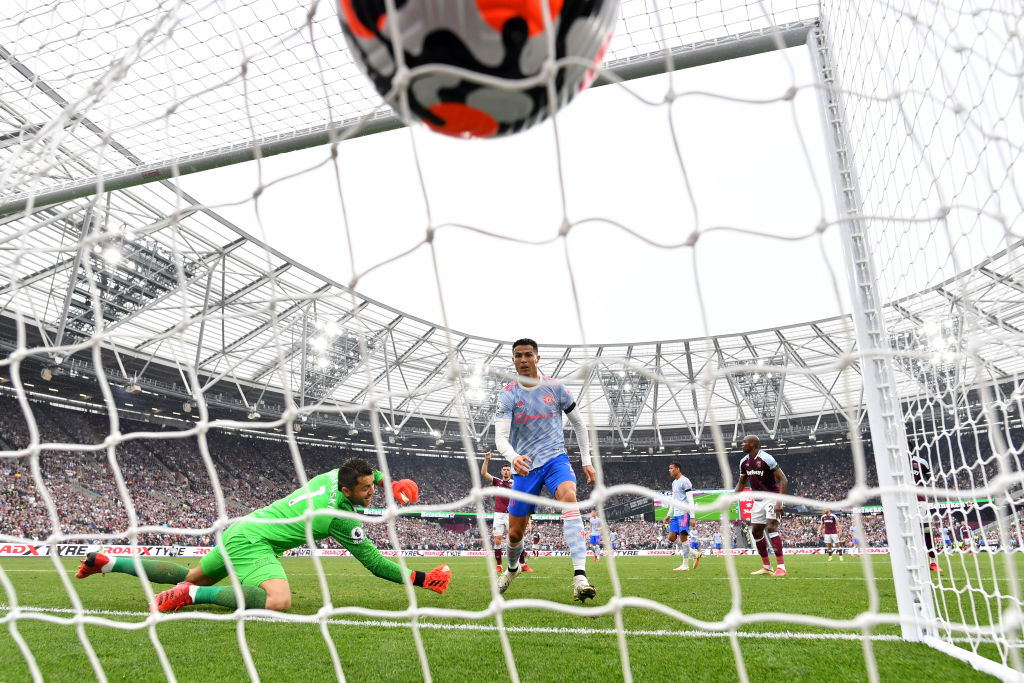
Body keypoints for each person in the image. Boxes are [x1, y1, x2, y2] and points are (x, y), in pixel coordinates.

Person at [75, 458, 451, 611]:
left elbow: (356, 470)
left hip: (243, 527)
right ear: (348, 492)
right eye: (367, 489)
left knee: (190, 573)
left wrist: (391, 481)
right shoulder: (337, 516)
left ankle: (109, 562)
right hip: (254, 540)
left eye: (373, 485)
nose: (372, 492)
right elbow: (375, 564)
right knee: (279, 601)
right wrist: (422, 578)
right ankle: (193, 596)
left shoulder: (331, 480)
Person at [493, 338, 597, 602]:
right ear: (513, 360)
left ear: (537, 358)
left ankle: (580, 577)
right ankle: (513, 568)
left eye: (529, 355)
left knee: (569, 497)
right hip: (525, 467)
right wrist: (513, 457)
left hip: (555, 460)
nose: (524, 359)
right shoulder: (508, 395)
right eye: (518, 356)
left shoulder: (556, 388)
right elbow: (500, 438)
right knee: (515, 533)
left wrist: (586, 459)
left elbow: (579, 424)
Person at [733, 435, 788, 577]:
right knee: (756, 532)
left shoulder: (766, 458)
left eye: (744, 442)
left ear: (753, 444)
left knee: (771, 527)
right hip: (757, 500)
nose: (742, 444)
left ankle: (781, 567)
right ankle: (767, 566)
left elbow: (783, 479)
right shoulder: (744, 462)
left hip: (772, 497)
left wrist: (779, 502)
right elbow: (741, 482)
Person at [481, 450, 514, 573]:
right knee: (497, 540)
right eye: (504, 469)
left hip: (511, 514)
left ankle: (516, 562)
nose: (506, 471)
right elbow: (484, 473)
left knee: (514, 540)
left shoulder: (515, 483)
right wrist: (487, 459)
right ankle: (499, 565)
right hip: (499, 515)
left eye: (508, 469)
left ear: (510, 471)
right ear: (501, 472)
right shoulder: (497, 482)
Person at [664, 462, 701, 571]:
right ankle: (694, 553)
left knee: (683, 537)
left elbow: (690, 499)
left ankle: (685, 565)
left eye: (671, 468)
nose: (669, 470)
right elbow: (673, 500)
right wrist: (668, 515)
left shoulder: (685, 481)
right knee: (671, 537)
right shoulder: (674, 483)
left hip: (684, 513)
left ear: (677, 469)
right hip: (676, 513)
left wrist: (692, 517)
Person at [910, 453, 942, 572]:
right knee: (922, 532)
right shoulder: (920, 462)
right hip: (914, 501)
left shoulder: (918, 462)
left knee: (921, 531)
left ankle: (926, 562)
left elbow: (930, 478)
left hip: (912, 502)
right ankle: (929, 562)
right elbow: (930, 479)